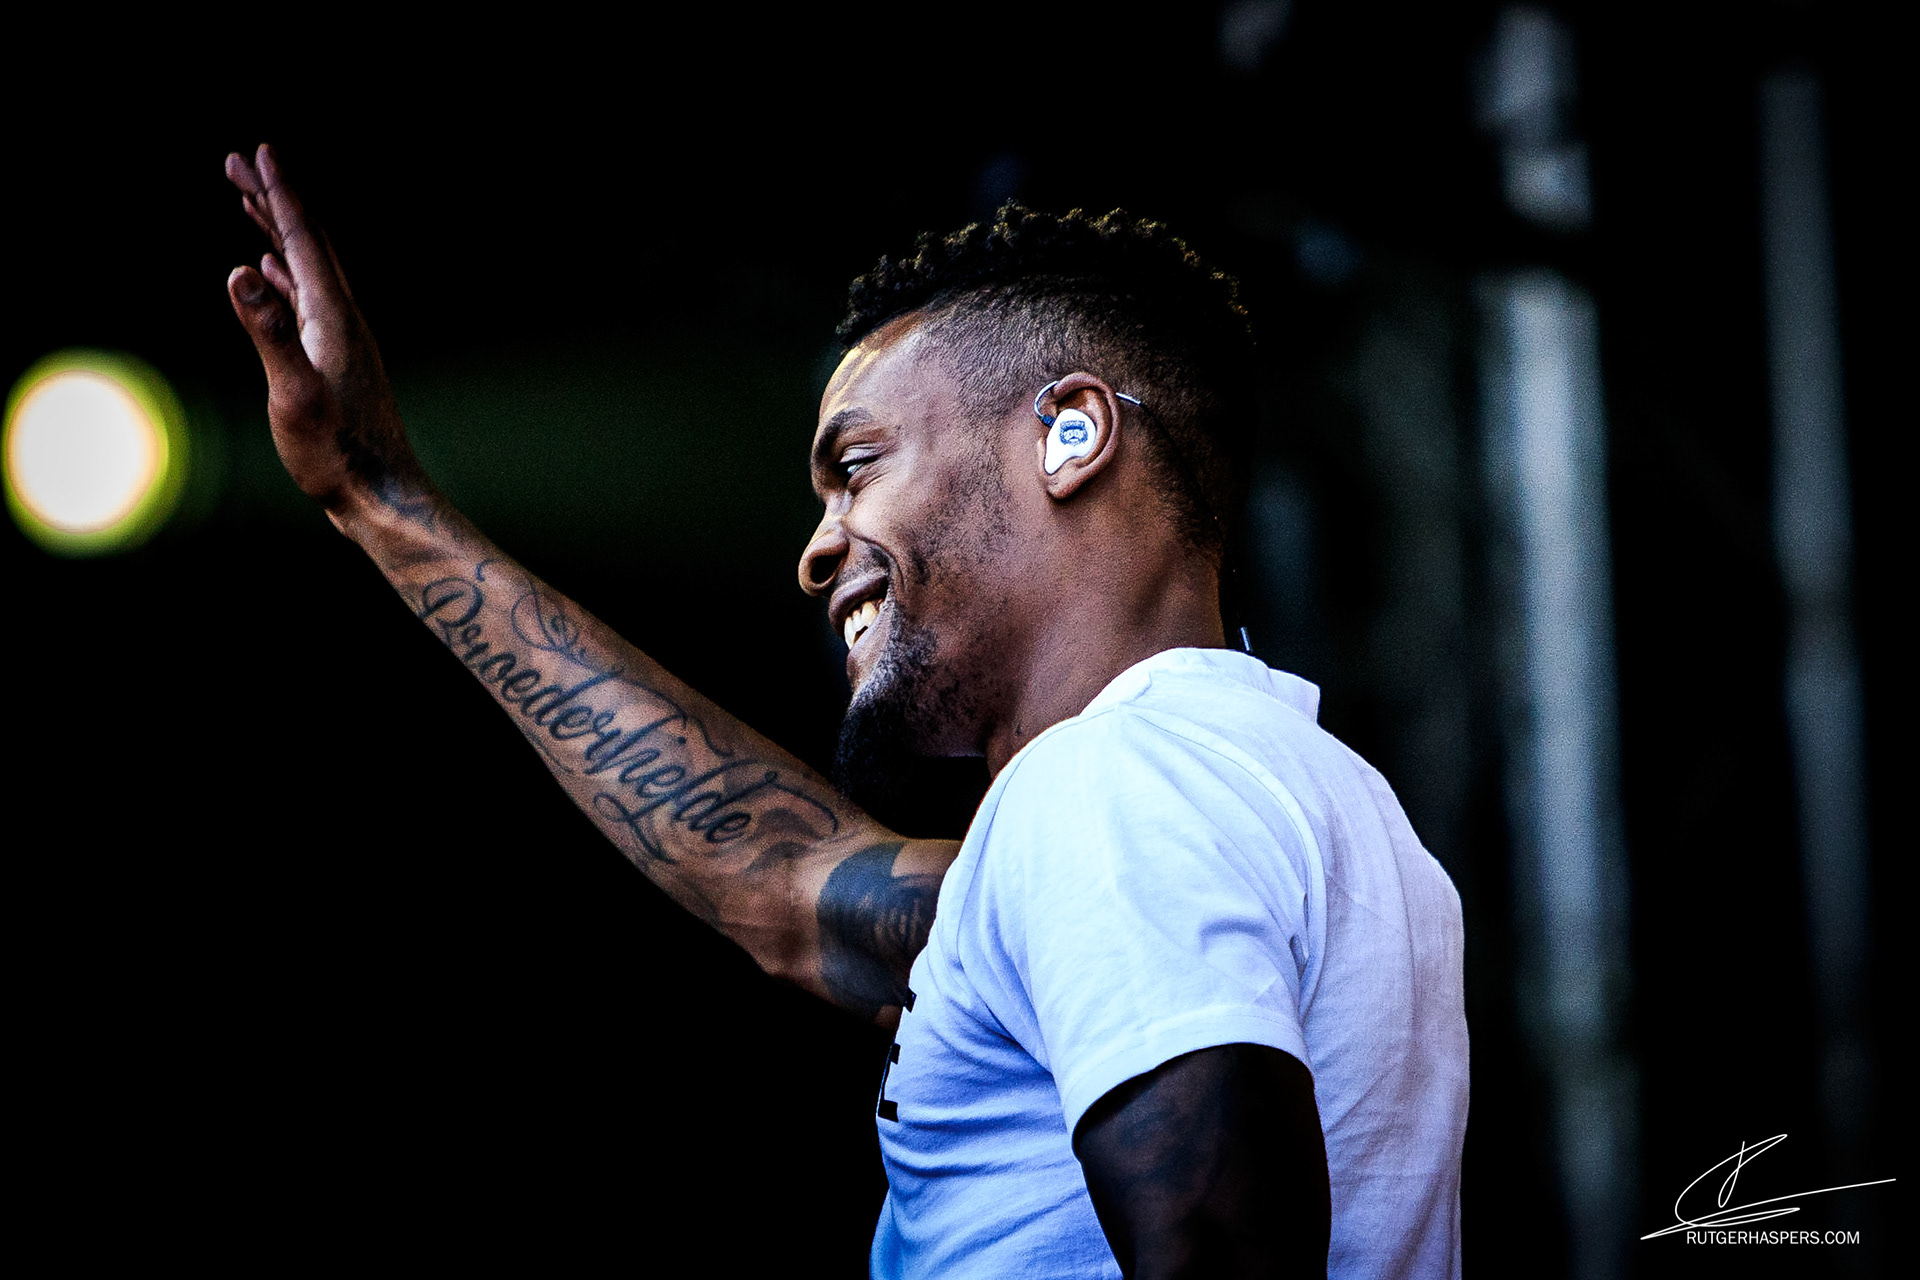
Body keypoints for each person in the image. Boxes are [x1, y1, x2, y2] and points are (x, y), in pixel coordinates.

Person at [222, 143, 1467, 1279]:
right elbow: (784, 880)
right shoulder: (1304, 802)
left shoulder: (1106, 787)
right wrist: (375, 494)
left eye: (856, 466)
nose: (819, 549)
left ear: (1071, 432)